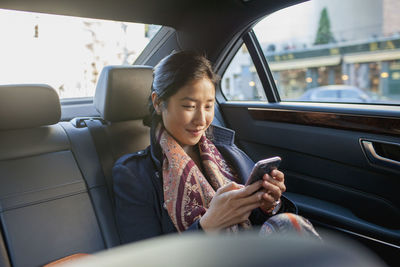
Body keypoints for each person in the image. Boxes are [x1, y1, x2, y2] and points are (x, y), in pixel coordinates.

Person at [113, 51, 319, 244]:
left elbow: (254, 222)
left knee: (289, 223)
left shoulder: (226, 154)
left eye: (209, 106)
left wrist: (269, 205)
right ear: (158, 103)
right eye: (189, 106)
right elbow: (143, 259)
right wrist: (208, 225)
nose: (201, 120)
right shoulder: (134, 174)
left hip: (249, 252)